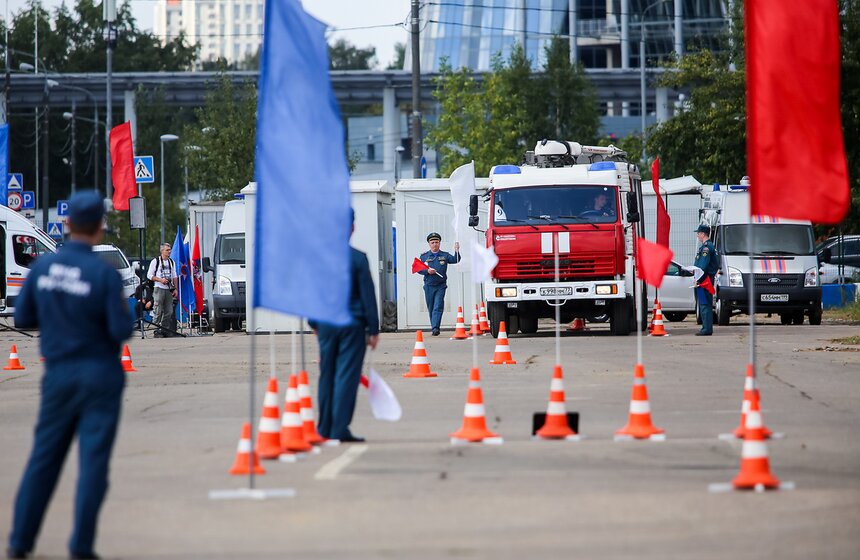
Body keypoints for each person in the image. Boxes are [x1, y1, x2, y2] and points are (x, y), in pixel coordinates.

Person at [7, 191, 133, 560]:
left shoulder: (44, 268)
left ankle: (20, 542)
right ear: (100, 227)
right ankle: (81, 546)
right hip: (99, 377)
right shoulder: (104, 274)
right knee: (93, 463)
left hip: (58, 375)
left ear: (65, 225)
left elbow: (23, 318)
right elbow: (121, 329)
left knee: (43, 459)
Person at [310, 211, 379, 443]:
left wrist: (313, 322)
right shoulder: (358, 258)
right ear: (351, 228)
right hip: (352, 324)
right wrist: (373, 329)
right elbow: (368, 296)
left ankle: (324, 428)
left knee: (327, 374)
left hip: (327, 324)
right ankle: (339, 429)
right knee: (346, 376)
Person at [416, 232, 460, 336]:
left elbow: (455, 260)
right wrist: (427, 271)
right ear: (429, 244)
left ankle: (435, 328)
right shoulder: (424, 256)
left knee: (438, 306)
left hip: (440, 286)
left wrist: (457, 251)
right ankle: (434, 326)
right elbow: (418, 269)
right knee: (431, 307)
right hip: (428, 286)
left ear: (439, 243)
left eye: (437, 242)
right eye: (432, 242)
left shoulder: (444, 255)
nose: (435, 244)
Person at [146, 243, 178, 338]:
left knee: (169, 311)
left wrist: (175, 288)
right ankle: (156, 330)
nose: (169, 251)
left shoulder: (171, 262)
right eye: (167, 250)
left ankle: (165, 329)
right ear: (162, 251)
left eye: (170, 250)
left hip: (168, 289)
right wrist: (160, 280)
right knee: (158, 310)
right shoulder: (155, 261)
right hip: (159, 288)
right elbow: (149, 275)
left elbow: (174, 276)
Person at [693, 224, 720, 336]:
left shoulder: (706, 248)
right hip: (705, 279)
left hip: (704, 280)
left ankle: (707, 329)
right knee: (704, 304)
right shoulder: (707, 247)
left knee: (704, 304)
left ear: (703, 234)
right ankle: (706, 327)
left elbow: (703, 266)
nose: (698, 236)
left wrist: (698, 280)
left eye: (698, 233)